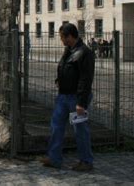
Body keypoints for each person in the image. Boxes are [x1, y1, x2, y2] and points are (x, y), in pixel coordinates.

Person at [41, 23, 95, 171]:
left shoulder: (84, 53)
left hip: (76, 99)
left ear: (69, 36)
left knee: (80, 130)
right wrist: (60, 80)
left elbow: (86, 79)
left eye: (62, 37)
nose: (61, 40)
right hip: (63, 96)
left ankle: (86, 161)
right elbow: (65, 68)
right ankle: (54, 158)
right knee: (56, 126)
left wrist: (81, 103)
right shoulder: (69, 50)